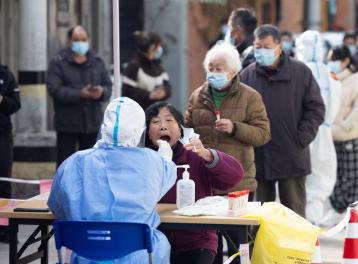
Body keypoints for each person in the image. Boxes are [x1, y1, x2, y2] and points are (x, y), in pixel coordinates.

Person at [48, 97, 177, 263]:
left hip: (87, 256)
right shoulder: (153, 162)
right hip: (139, 255)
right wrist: (166, 159)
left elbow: (57, 208)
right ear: (139, 130)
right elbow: (166, 178)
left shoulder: (74, 162)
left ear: (103, 126)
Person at [185, 42, 271, 264]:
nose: (214, 73)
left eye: (219, 68)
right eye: (210, 68)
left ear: (233, 71)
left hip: (238, 183)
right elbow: (186, 127)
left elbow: (263, 134)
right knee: (209, 239)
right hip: (205, 182)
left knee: (239, 242)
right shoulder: (197, 96)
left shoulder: (250, 97)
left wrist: (236, 128)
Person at [239, 24, 325, 217]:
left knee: (293, 212)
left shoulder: (300, 72)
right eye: (257, 46)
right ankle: (259, 249)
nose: (260, 51)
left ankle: (296, 248)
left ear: (279, 46)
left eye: (266, 46)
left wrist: (300, 138)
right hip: (258, 156)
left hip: (291, 153)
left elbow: (316, 108)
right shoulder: (247, 75)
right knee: (258, 215)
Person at [147, 102, 244, 264]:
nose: (163, 127)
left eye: (169, 121)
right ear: (147, 132)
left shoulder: (194, 155)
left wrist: (208, 155)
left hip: (196, 241)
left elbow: (235, 176)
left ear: (180, 129)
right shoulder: (142, 159)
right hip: (153, 241)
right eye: (155, 122)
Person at [47, 25, 112, 167]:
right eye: (77, 40)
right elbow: (54, 89)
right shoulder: (59, 62)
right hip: (67, 125)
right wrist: (80, 93)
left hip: (92, 124)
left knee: (91, 165)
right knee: (66, 165)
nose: (81, 43)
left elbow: (108, 87)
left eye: (84, 39)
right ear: (70, 41)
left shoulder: (97, 61)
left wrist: (101, 92)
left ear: (88, 40)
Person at [321, 46, 358, 225]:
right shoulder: (329, 78)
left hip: (351, 134)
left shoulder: (357, 80)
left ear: (346, 61)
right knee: (334, 174)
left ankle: (352, 212)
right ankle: (337, 209)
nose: (331, 63)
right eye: (329, 59)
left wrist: (345, 126)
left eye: (334, 59)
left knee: (353, 175)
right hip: (331, 135)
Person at [295, 30, 341, 224]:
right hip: (323, 131)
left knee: (298, 179)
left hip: (300, 131)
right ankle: (313, 219)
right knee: (321, 177)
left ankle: (300, 220)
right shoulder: (330, 74)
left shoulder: (296, 71)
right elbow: (337, 101)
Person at [122, 31, 171, 110]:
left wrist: (163, 92)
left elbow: (168, 87)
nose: (159, 49)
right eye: (157, 46)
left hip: (157, 113)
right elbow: (127, 91)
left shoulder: (159, 66)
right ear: (150, 47)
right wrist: (149, 95)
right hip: (138, 113)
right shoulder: (134, 66)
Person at [0, 64, 21, 242]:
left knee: (4, 181)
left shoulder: (5, 74)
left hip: (2, 134)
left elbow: (16, 103)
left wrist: (2, 100)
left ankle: (4, 229)